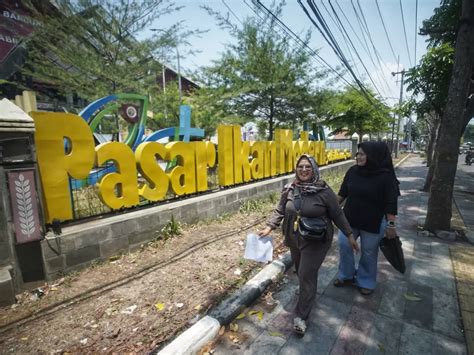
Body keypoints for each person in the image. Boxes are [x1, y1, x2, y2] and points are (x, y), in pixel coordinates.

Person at [258, 154, 358, 336]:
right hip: (294, 237)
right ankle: (306, 290)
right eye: (300, 167)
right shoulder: (289, 188)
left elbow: (337, 214)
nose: (304, 170)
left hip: (317, 240)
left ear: (314, 169)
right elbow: (280, 209)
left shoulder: (324, 191)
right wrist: (268, 227)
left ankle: (301, 317)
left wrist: (349, 234)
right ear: (296, 169)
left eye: (307, 167)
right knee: (301, 270)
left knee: (306, 273)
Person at [334, 141, 400, 296]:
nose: (358, 156)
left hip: (374, 223)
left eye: (362, 154)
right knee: (344, 246)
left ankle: (366, 281)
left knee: (369, 253)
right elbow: (342, 194)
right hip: (349, 219)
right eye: (358, 153)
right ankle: (347, 275)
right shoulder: (352, 171)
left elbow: (391, 203)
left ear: (372, 155)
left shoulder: (386, 177)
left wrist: (391, 226)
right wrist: (328, 209)